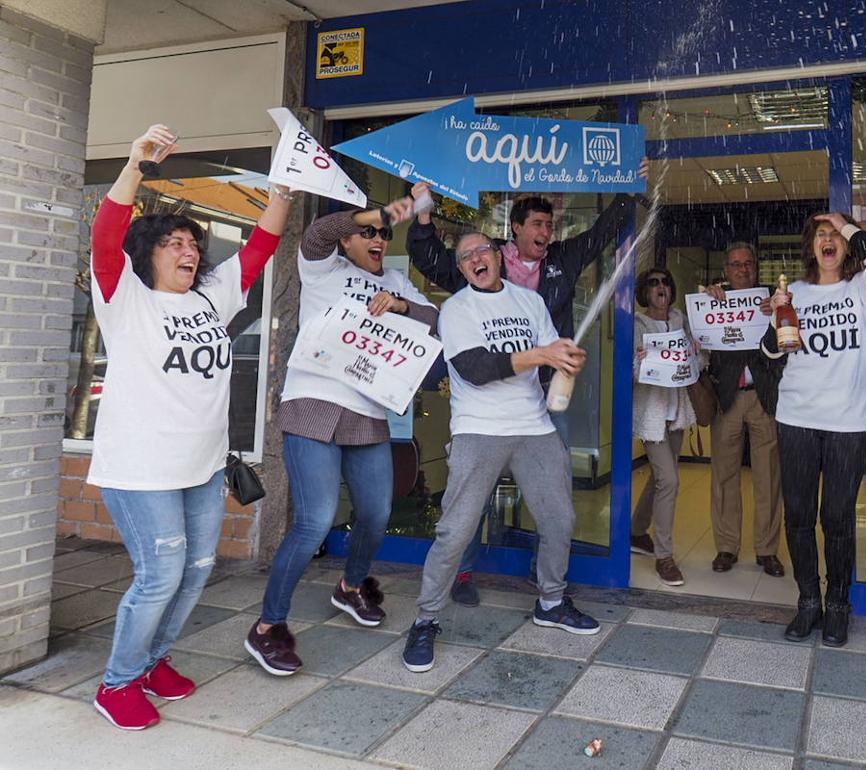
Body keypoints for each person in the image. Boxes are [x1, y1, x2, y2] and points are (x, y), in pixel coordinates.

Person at [88, 125, 292, 729]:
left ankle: (153, 664)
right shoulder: (124, 295)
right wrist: (134, 165)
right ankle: (117, 683)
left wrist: (285, 189)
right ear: (147, 251)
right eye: (175, 242)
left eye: (193, 244)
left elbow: (258, 249)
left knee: (198, 569)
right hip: (141, 468)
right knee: (160, 576)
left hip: (202, 468)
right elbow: (104, 237)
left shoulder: (209, 298)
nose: (189, 251)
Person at [405, 168, 645, 604]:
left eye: (550, 224)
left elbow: (603, 231)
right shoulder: (478, 269)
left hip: (543, 404)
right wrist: (423, 217)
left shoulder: (560, 263)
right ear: (512, 231)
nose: (546, 231)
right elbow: (432, 261)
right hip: (482, 417)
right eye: (537, 223)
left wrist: (628, 187)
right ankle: (460, 575)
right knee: (467, 508)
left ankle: (548, 583)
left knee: (557, 507)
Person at [245, 194, 438, 677]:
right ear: (348, 239)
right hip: (312, 404)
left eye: (383, 234)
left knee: (376, 513)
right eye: (368, 232)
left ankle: (351, 586)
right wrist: (391, 210)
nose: (378, 239)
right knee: (314, 522)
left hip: (368, 412)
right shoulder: (322, 268)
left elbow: (437, 321)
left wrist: (400, 305)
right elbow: (317, 233)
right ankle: (267, 628)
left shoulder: (396, 280)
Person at [403, 233, 599, 673]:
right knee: (454, 531)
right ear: (462, 267)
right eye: (465, 255)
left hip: (535, 427)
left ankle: (550, 601)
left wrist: (565, 358)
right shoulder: (456, 310)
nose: (475, 259)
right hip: (479, 429)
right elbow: (476, 370)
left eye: (481, 251)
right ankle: (425, 619)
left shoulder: (529, 302)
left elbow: (550, 354)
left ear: (497, 256)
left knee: (560, 520)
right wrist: (540, 354)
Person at [763, 212, 866, 646]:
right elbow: (770, 353)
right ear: (810, 247)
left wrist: (846, 223)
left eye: (836, 235)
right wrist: (775, 318)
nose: (829, 239)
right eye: (822, 234)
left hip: (850, 422)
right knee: (799, 516)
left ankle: (839, 603)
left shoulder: (863, 289)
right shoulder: (792, 293)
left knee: (836, 517)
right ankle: (808, 602)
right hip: (797, 417)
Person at [700, 243, 785, 577]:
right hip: (727, 396)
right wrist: (706, 302)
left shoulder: (772, 300)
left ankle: (767, 551)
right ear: (727, 268)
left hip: (764, 397)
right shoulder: (713, 299)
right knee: (724, 476)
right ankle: (727, 546)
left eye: (748, 264)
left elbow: (786, 342)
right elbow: (701, 341)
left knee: (768, 476)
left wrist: (776, 314)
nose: (742, 269)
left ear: (755, 267)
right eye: (736, 264)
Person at [632, 266, 702, 587]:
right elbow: (632, 369)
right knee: (670, 481)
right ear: (644, 291)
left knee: (663, 477)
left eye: (665, 282)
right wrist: (643, 361)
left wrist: (699, 354)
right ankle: (664, 556)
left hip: (676, 412)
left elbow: (696, 366)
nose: (661, 287)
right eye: (653, 283)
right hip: (652, 414)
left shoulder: (679, 321)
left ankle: (636, 530)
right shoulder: (636, 324)